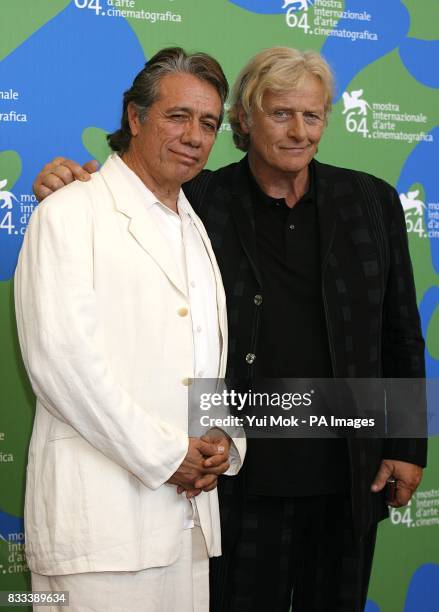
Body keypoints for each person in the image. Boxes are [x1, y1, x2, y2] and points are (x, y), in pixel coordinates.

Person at [33, 47, 426, 612]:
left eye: (311, 115)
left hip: (348, 473)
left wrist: (407, 445)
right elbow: (129, 196)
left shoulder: (372, 202)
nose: (298, 131)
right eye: (280, 113)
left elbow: (401, 331)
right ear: (245, 120)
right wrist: (69, 181)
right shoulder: (197, 201)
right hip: (240, 478)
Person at [15, 47, 245, 612]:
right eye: (177, 116)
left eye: (209, 123)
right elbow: (63, 365)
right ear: (135, 117)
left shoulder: (195, 227)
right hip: (99, 532)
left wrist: (220, 443)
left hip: (188, 525)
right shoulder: (69, 213)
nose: (194, 135)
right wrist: (171, 455)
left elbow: (205, 360)